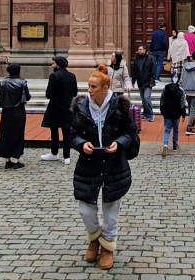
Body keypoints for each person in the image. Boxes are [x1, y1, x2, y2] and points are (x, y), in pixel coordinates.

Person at [71, 63, 139, 270]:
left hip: (113, 163)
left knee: (111, 208)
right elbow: (72, 134)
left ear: (105, 88)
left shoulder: (119, 107)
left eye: (93, 87)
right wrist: (82, 144)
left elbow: (130, 131)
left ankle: (107, 246)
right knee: (85, 209)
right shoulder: (81, 108)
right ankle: (94, 237)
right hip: (89, 163)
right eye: (88, 86)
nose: (89, 90)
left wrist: (120, 143)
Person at [40, 55, 78, 164]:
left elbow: (49, 94)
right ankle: (67, 156)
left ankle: (54, 153)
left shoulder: (54, 76)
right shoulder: (72, 76)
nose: (52, 65)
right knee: (66, 132)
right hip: (68, 106)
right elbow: (75, 92)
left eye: (53, 63)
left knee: (54, 131)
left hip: (55, 107)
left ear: (57, 64)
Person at [0, 63, 31, 168]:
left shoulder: (3, 83)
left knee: (6, 134)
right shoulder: (22, 83)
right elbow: (27, 97)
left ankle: (7, 160)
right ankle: (16, 160)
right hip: (18, 111)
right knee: (18, 134)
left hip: (6, 111)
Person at [160, 71, 187, 157]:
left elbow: (162, 101)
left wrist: (162, 110)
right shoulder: (180, 90)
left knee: (167, 129)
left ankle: (165, 144)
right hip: (176, 112)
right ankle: (175, 145)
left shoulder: (165, 89)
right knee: (176, 129)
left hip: (167, 112)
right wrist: (183, 114)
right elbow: (182, 103)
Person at [131, 44, 156, 122]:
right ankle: (145, 113)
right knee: (143, 99)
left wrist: (152, 81)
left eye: (140, 49)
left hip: (148, 81)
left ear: (145, 50)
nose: (139, 51)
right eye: (138, 49)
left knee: (146, 98)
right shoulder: (137, 59)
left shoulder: (150, 58)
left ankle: (150, 114)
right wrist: (133, 81)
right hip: (140, 81)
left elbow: (153, 70)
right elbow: (134, 71)